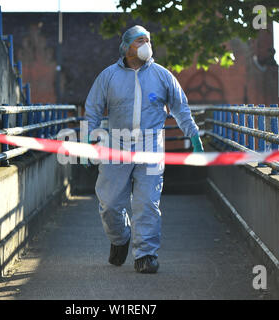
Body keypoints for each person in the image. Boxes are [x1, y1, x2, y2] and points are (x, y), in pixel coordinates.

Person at [84, 25, 203, 273]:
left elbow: (181, 108)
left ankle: (146, 255)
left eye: (148, 40)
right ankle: (120, 238)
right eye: (140, 40)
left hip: (150, 145)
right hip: (116, 143)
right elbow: (93, 110)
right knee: (109, 204)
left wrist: (194, 138)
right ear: (126, 47)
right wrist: (88, 141)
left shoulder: (162, 76)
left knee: (147, 203)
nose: (146, 45)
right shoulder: (108, 76)